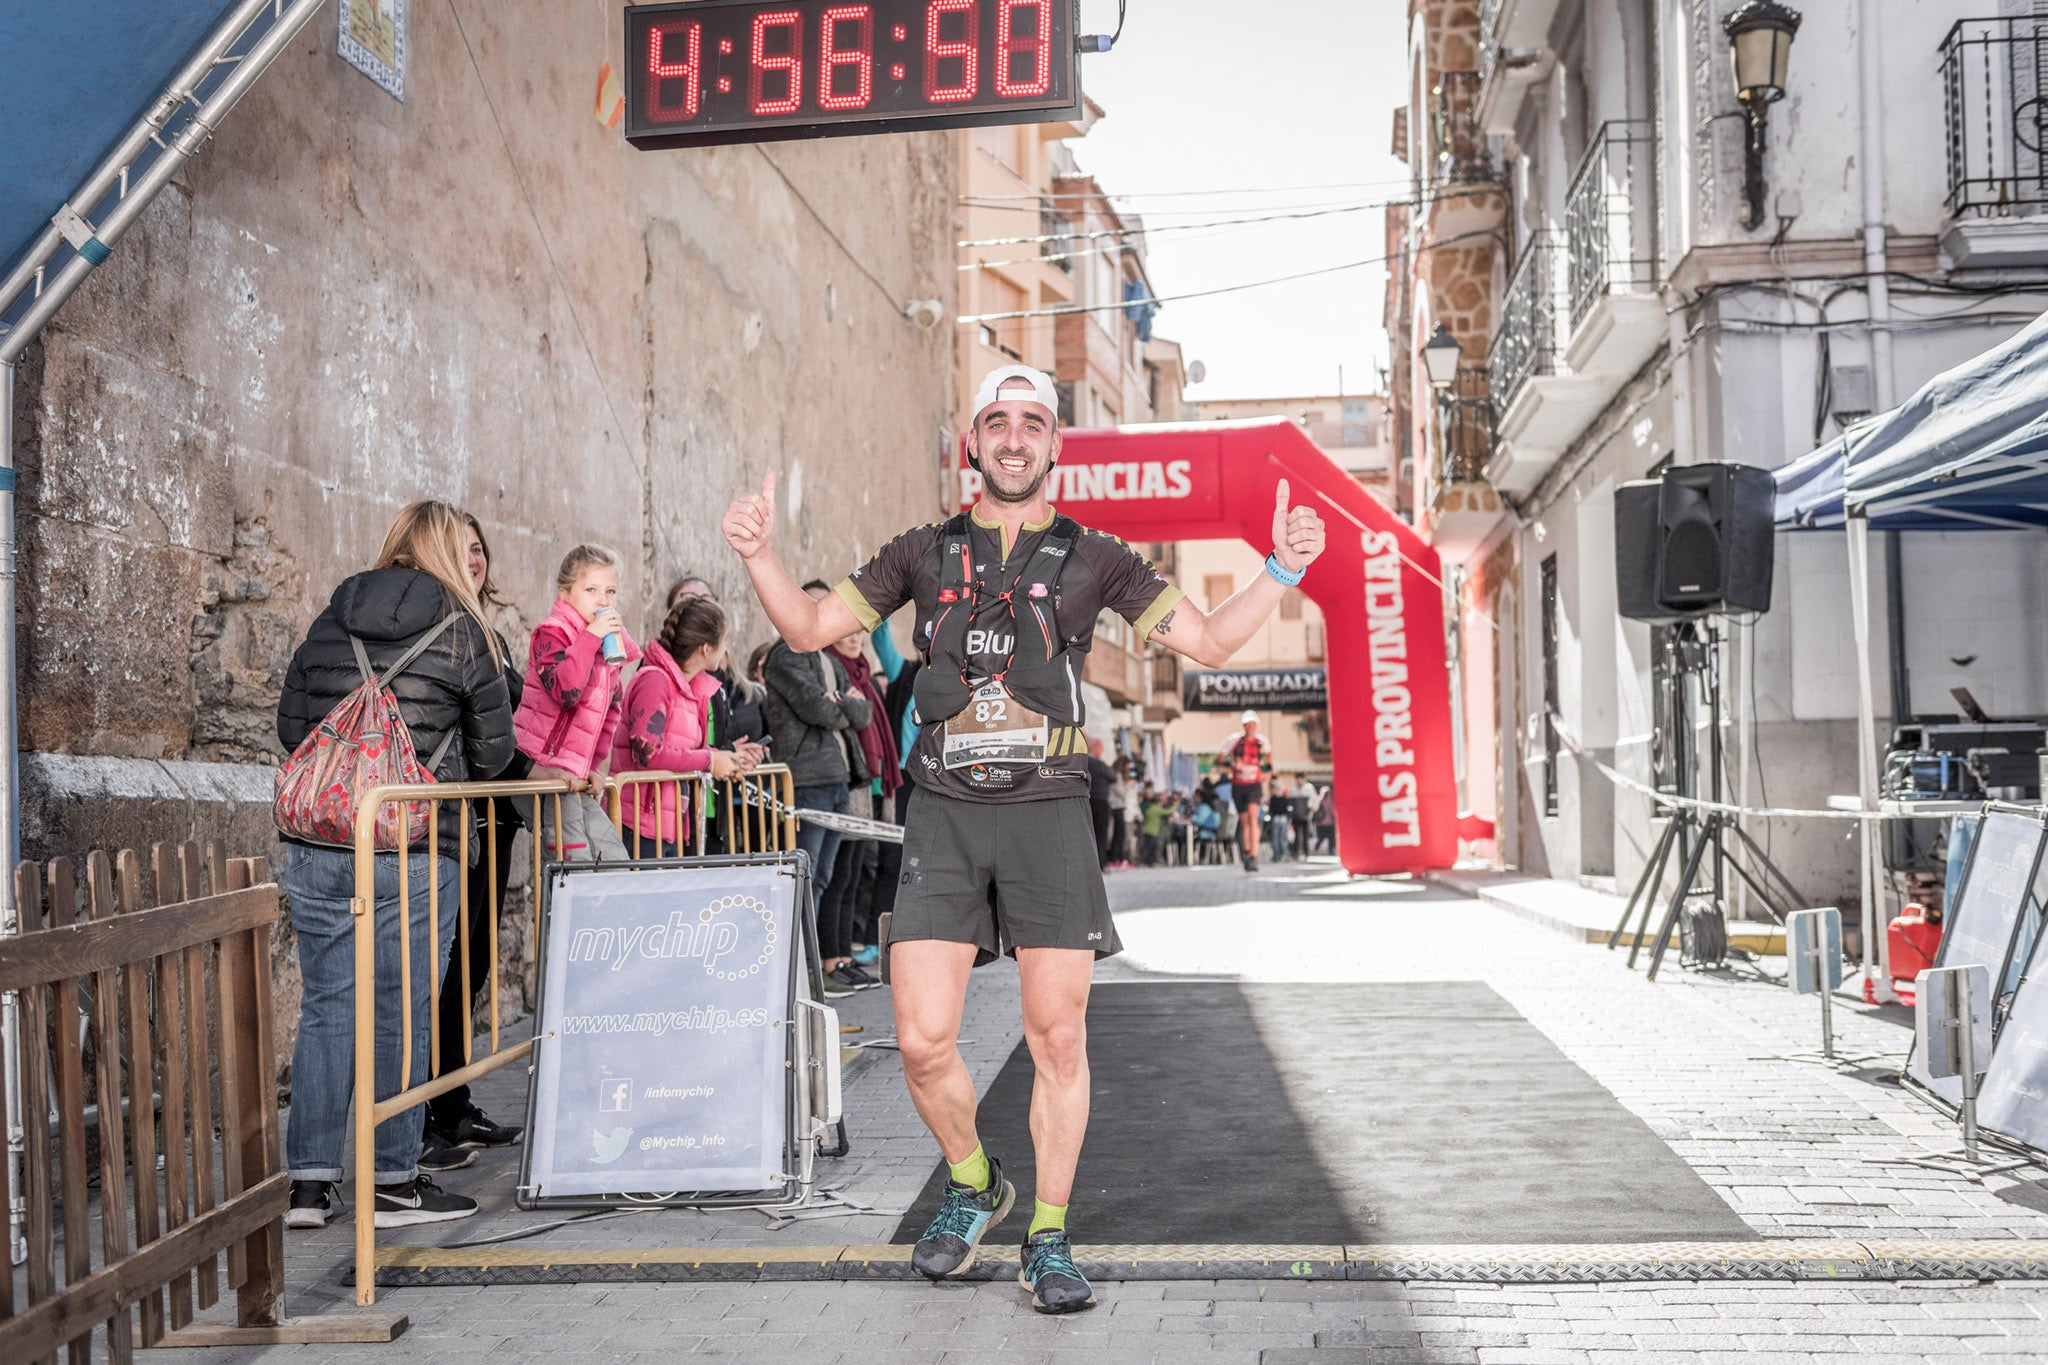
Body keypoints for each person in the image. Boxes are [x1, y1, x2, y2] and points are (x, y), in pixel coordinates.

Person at [720, 362, 1325, 1313]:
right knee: (921, 1039)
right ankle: (973, 1183)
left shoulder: (1099, 558)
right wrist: (758, 555)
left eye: (1031, 422)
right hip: (945, 810)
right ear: (975, 441)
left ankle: (1048, 1232)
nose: (1012, 437)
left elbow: (1207, 641)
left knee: (1058, 1037)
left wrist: (1283, 570)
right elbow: (806, 626)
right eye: (996, 421)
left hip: (1048, 808)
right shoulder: (922, 552)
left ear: (1055, 445)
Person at [277, 500, 514, 1231]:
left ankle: (310, 1187)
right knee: (401, 1011)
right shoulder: (464, 626)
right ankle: (390, 1180)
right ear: (449, 551)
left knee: (325, 1008)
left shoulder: (334, 613)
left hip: (323, 838)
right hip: (415, 841)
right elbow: (497, 752)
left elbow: (292, 725)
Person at [422, 513, 529, 1169]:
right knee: (448, 971)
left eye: (480, 546)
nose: (476, 557)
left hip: (497, 823)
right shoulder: (447, 633)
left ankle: (454, 1103)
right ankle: (430, 1116)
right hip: (464, 821)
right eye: (462, 548)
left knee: (474, 968)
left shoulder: (490, 633)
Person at [762, 580, 873, 962]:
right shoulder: (785, 656)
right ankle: (793, 970)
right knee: (803, 880)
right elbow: (817, 709)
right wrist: (841, 704)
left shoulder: (828, 659)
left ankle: (812, 968)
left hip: (839, 778)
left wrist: (839, 702)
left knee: (824, 878)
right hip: (808, 780)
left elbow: (864, 714)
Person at [513, 544, 640, 863]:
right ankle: (566, 913)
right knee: (575, 863)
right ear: (565, 594)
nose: (603, 600)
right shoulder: (551, 635)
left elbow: (610, 714)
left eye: (610, 591)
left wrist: (594, 768)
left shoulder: (605, 649)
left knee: (614, 859)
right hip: (540, 769)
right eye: (591, 589)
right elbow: (566, 691)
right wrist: (589, 639)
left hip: (572, 777)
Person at [615, 595, 760, 858]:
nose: (726, 648)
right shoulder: (656, 682)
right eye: (724, 640)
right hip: (638, 824)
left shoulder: (690, 687)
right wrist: (709, 760)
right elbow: (647, 752)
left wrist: (728, 759)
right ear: (706, 648)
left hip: (668, 823)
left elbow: (685, 749)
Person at [814, 622, 897, 994]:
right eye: (847, 632)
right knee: (836, 875)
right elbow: (854, 718)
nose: (854, 638)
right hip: (848, 782)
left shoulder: (861, 670)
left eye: (858, 633)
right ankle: (831, 958)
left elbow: (869, 721)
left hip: (872, 783)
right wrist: (854, 705)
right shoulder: (832, 668)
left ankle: (844, 955)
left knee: (851, 874)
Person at [1218, 711, 1274, 871]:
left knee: (1253, 817)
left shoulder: (1262, 741)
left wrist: (1267, 773)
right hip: (1238, 785)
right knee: (1244, 822)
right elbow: (1219, 759)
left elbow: (1269, 758)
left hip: (1254, 784)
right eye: (1247, 724)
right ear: (1243, 726)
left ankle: (1254, 855)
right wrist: (1233, 765)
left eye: (1253, 724)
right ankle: (1247, 852)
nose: (1250, 727)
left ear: (1256, 725)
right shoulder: (1234, 741)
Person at [1084, 739, 1115, 869]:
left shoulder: (1083, 763)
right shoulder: (1098, 763)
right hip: (1101, 801)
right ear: (1095, 748)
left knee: (1089, 832)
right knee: (1101, 833)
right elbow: (1113, 777)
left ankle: (1090, 863)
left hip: (1088, 800)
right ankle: (1101, 863)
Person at [1291, 777, 1320, 860]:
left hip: (1306, 814)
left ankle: (1306, 853)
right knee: (1296, 835)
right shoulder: (1293, 789)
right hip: (1296, 815)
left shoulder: (1309, 788)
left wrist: (1314, 809)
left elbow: (1314, 799)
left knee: (1305, 834)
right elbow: (1291, 801)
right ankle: (1296, 853)